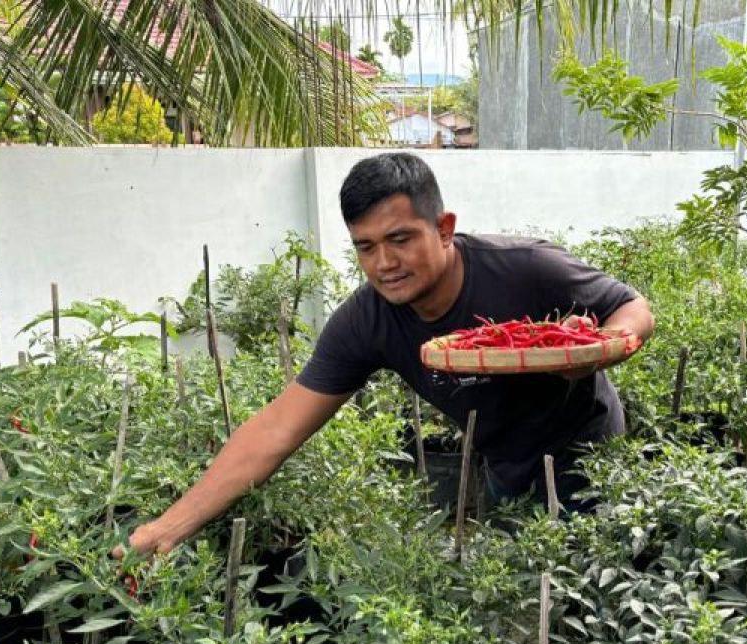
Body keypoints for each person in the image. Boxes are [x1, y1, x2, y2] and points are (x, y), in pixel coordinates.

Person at [116, 152, 653, 557]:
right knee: (523, 578)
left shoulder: (525, 267)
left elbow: (632, 308)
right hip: (505, 462)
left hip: (588, 450)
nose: (384, 263)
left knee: (593, 582)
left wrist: (599, 350)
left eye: (400, 239)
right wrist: (169, 527)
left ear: (444, 229)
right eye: (365, 247)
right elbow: (277, 428)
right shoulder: (366, 321)